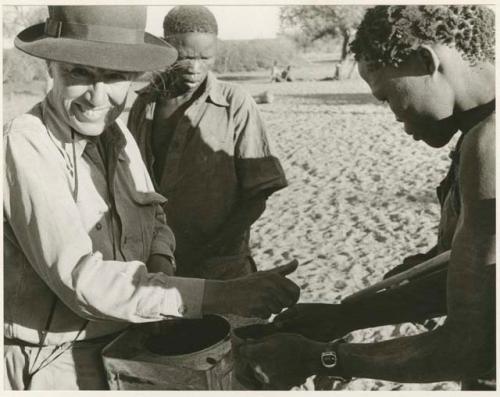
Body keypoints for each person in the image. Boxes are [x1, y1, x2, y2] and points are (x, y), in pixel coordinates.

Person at [4, 6, 300, 390]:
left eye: (115, 77)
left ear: (132, 77)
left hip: (131, 345)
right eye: (78, 73)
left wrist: (162, 265)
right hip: (55, 365)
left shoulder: (117, 134)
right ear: (50, 68)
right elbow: (82, 282)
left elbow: (155, 215)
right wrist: (221, 294)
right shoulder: (26, 144)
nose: (97, 96)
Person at [239, 5, 495, 390]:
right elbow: (466, 284)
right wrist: (345, 316)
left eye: (388, 97)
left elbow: (472, 347)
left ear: (427, 62)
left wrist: (318, 358)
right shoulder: (478, 135)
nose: (394, 115)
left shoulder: (489, 148)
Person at [128, 6, 288, 280]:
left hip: (221, 265)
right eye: (185, 57)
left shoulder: (235, 104)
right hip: (157, 263)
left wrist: (212, 249)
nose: (195, 68)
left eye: (206, 57)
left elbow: (258, 193)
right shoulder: (144, 105)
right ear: (166, 48)